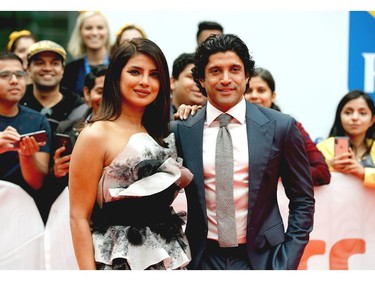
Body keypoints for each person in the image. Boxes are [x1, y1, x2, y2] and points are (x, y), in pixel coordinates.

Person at [170, 34, 315, 270]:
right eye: (215, 71)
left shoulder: (281, 126)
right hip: (201, 258)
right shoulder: (182, 129)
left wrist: (287, 259)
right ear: (202, 80)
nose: (226, 79)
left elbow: (302, 199)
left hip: (265, 258)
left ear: (247, 76)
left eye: (235, 69)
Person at [69, 38, 193, 270]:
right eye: (135, 72)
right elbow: (78, 217)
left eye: (154, 75)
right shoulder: (96, 135)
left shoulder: (162, 132)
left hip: (167, 254)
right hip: (118, 259)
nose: (145, 82)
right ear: (116, 76)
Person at [20, 40, 87, 223]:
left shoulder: (79, 106)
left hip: (63, 196)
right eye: (40, 62)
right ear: (28, 68)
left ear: (63, 69)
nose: (47, 68)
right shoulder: (16, 100)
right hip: (20, 193)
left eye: (54, 63)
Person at [245, 67, 331, 187]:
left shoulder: (289, 127)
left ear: (273, 96)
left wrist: (280, 172)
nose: (254, 96)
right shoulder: (230, 126)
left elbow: (322, 172)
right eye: (248, 91)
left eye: (261, 90)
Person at [0, 51, 51, 199]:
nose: (14, 81)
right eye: (4, 75)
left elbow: (37, 183)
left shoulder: (37, 121)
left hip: (22, 205)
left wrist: (27, 156)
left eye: (20, 75)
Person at [317, 90, 375, 188]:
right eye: (348, 113)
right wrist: (327, 166)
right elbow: (305, 175)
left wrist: (364, 173)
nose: (355, 118)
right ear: (339, 117)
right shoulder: (323, 147)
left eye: (362, 113)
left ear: (372, 120)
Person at [61, 11, 111, 97]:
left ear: (107, 32)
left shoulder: (119, 66)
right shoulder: (70, 70)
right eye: (88, 28)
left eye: (100, 28)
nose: (94, 33)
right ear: (80, 33)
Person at [170, 52, 206, 119]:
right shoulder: (153, 114)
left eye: (203, 78)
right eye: (191, 77)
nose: (198, 83)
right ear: (172, 82)